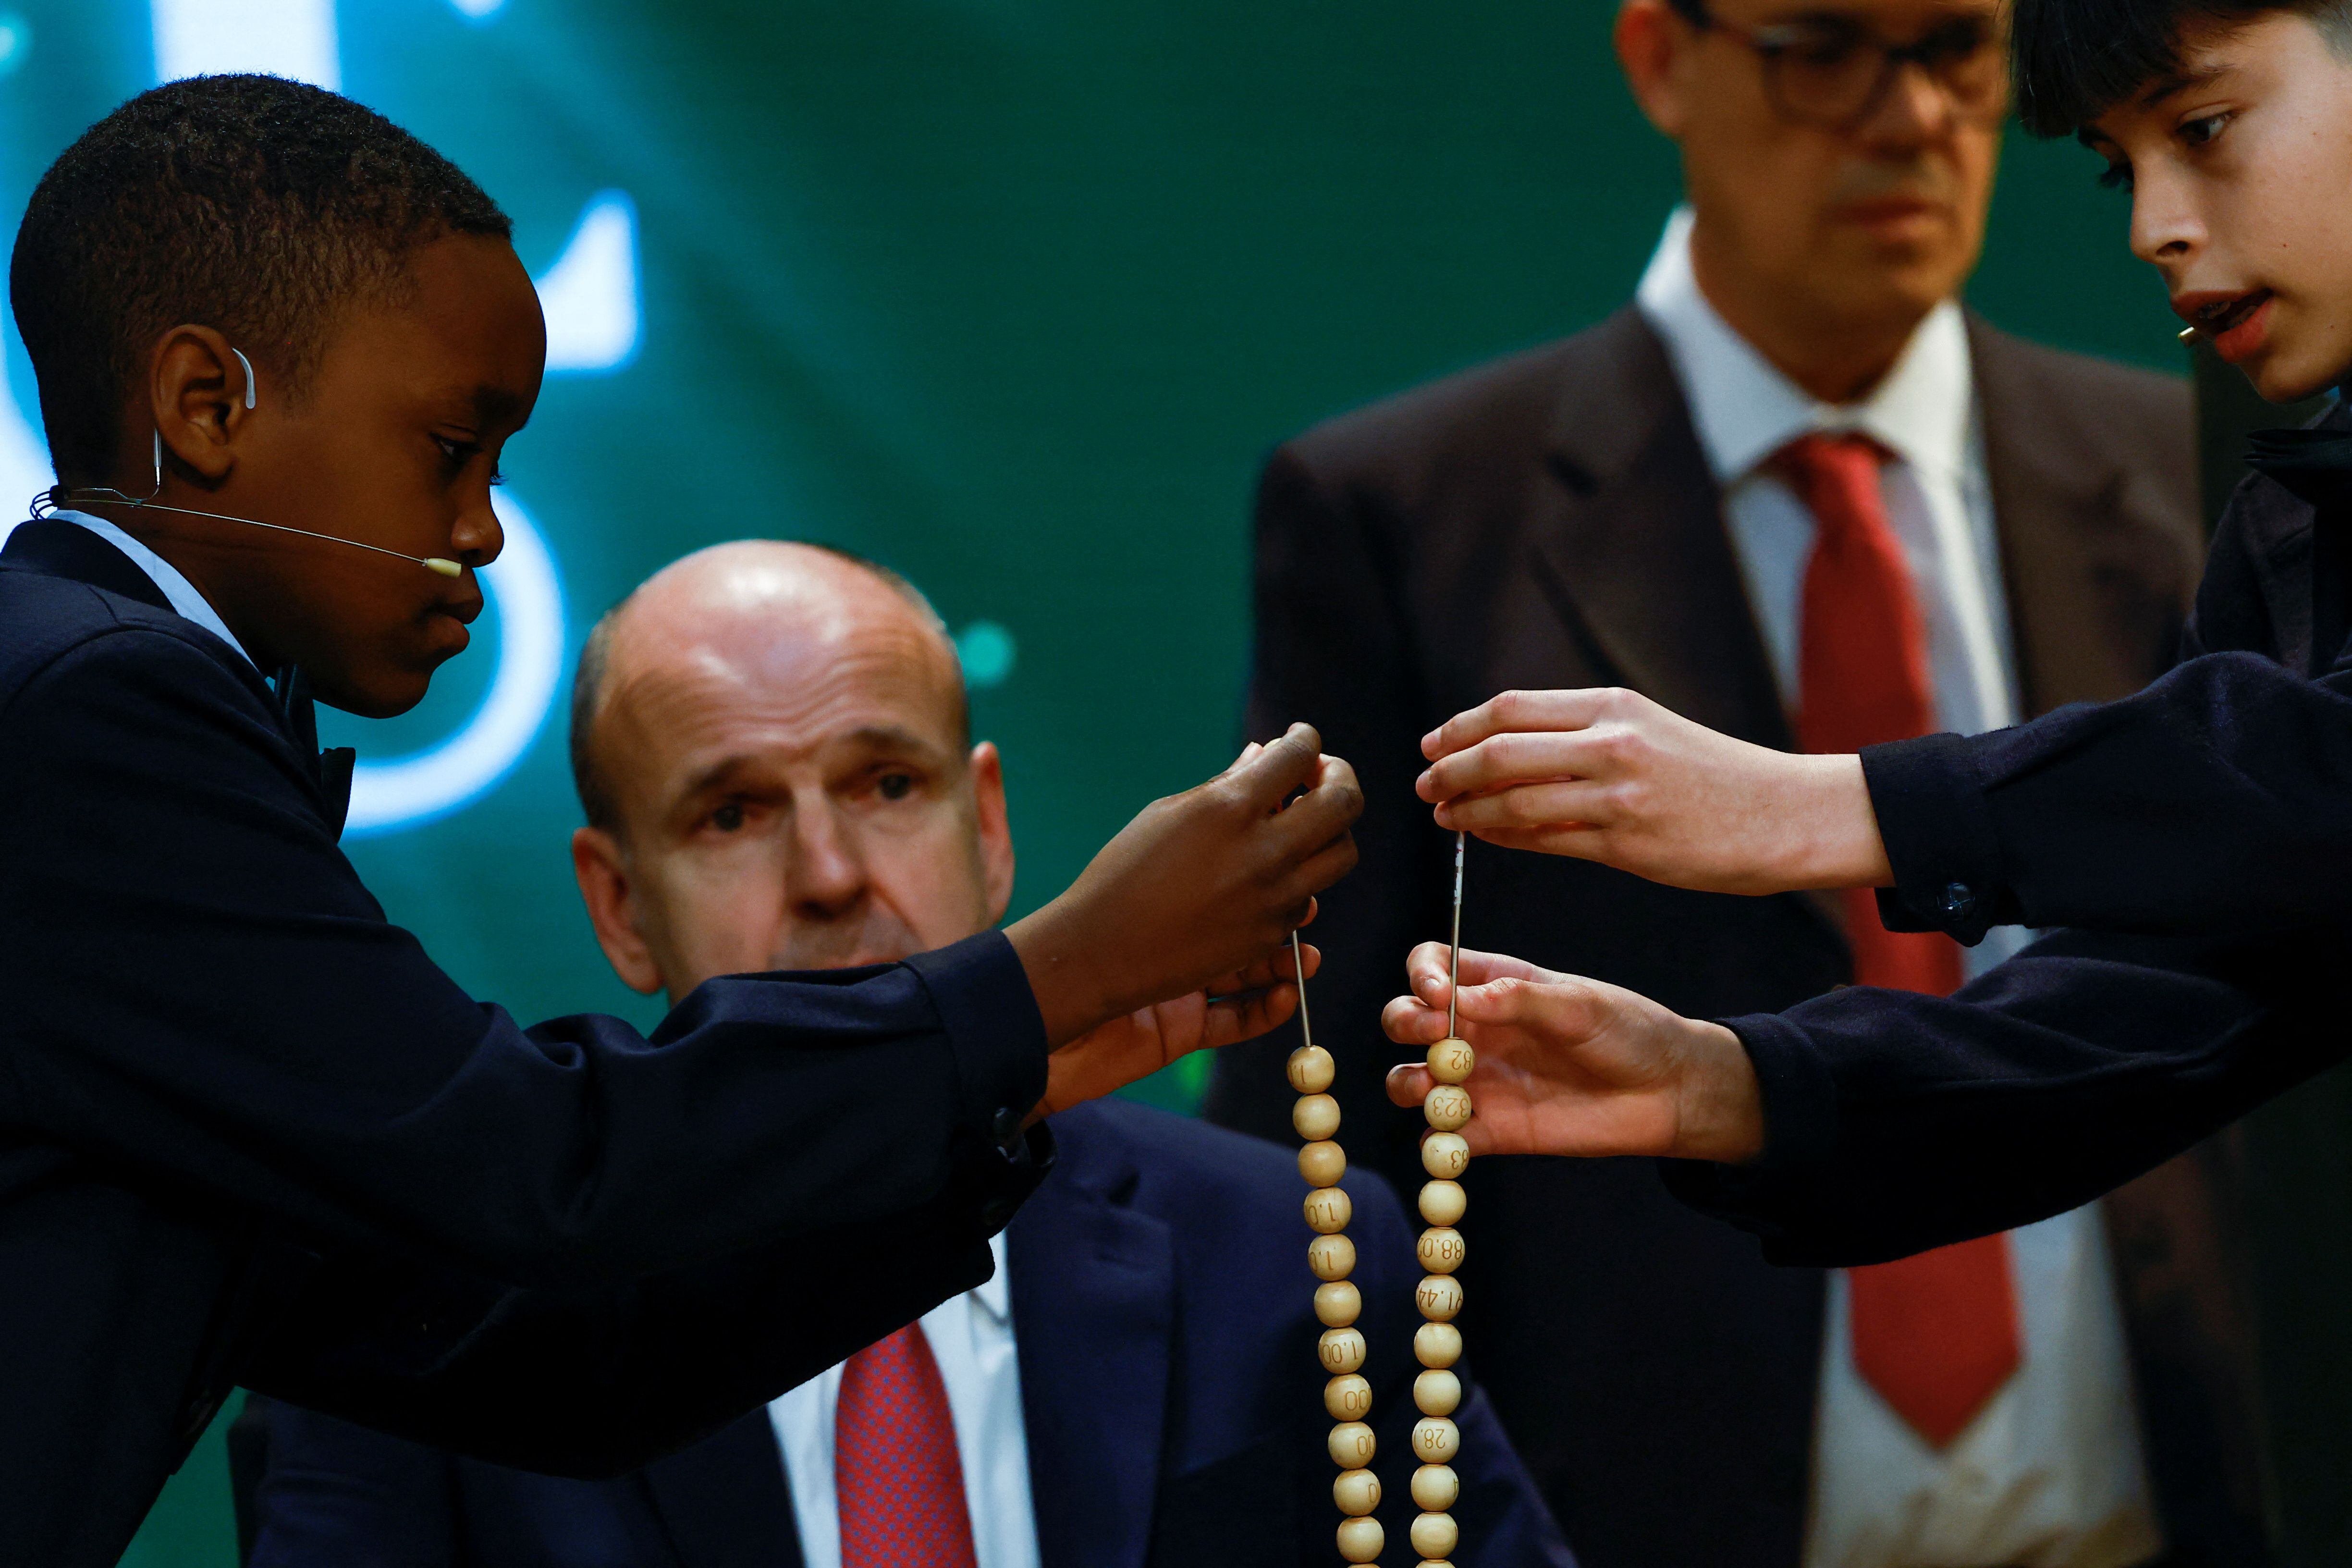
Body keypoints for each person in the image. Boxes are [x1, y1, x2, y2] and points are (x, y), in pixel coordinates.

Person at [0, 78, 1362, 1568]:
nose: (483, 531)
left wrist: (1017, 1083)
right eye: (452, 447)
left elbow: (532, 1357)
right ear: (209, 408)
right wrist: (1053, 976)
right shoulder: (91, 695)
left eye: (887, 785)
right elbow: (537, 1167)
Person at [1202, 0, 2263, 1562]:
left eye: (1959, 48)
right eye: (1824, 45)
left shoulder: (2190, 473)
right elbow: (1316, 1127)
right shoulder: (1405, 513)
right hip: (1640, 1494)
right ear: (1660, 57)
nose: (1908, 119)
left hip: (2164, 1495)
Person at [240, 541, 1576, 1568]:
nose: (830, 876)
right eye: (732, 813)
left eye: (887, 786)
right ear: (618, 907)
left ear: (989, 828)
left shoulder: (1290, 1254)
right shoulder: (433, 1334)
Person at [1384, 0, 2352, 1336]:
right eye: (2123, 168)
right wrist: (1732, 1085)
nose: (2153, 229)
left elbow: (2313, 779)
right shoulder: (2299, 516)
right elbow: (2188, 988)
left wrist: (1827, 806)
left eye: (2203, 128)